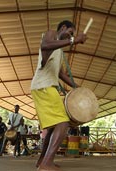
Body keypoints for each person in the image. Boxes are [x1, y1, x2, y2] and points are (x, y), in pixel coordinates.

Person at [31, 20, 87, 171]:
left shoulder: (60, 52)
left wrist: (77, 88)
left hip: (47, 86)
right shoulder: (51, 34)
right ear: (63, 28)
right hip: (44, 86)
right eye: (70, 32)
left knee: (53, 128)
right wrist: (73, 40)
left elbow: (61, 74)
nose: (70, 36)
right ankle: (47, 163)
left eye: (72, 35)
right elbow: (45, 45)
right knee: (63, 123)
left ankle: (42, 160)